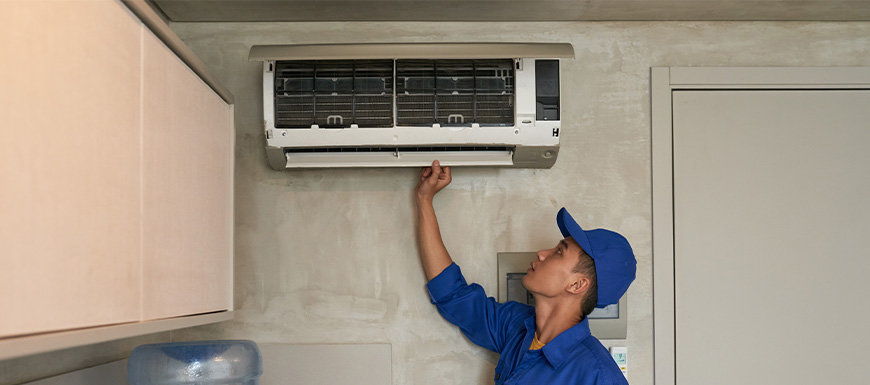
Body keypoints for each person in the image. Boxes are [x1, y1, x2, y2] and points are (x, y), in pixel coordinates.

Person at [415, 160, 636, 385]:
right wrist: (424, 200)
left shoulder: (598, 375)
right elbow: (453, 294)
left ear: (577, 285)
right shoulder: (518, 326)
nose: (541, 253)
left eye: (559, 252)